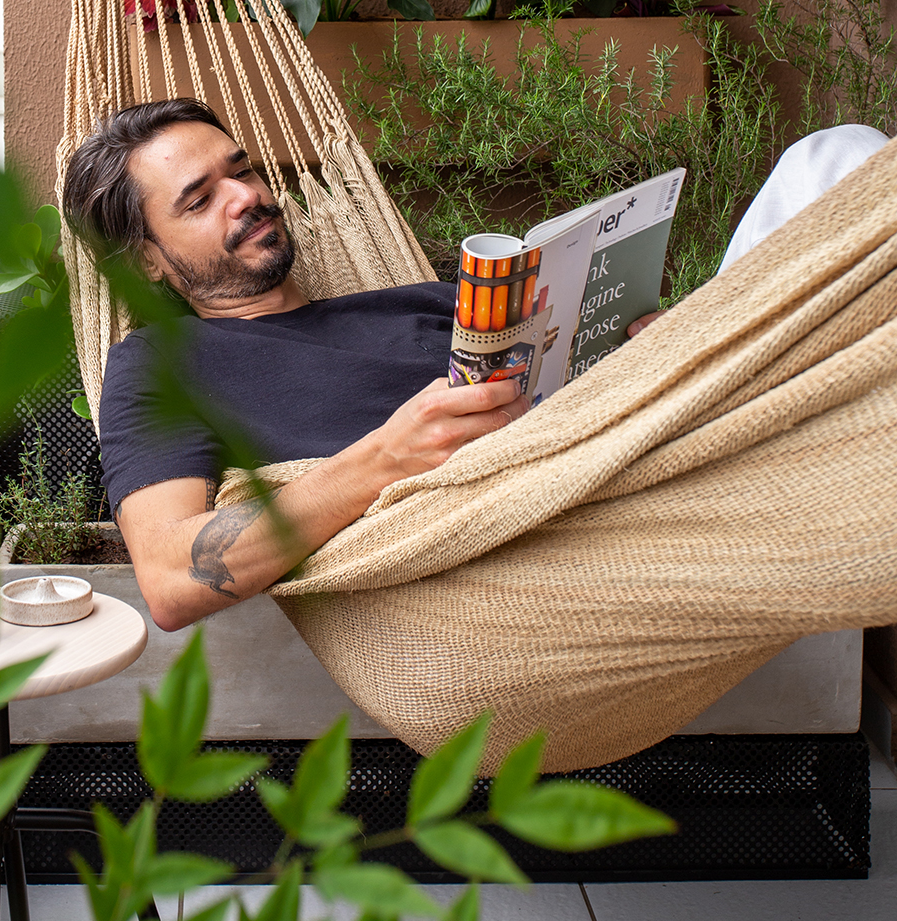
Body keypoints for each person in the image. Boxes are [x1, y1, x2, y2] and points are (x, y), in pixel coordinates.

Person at [61, 98, 889, 634]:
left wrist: (644, 342)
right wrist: (387, 456)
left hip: (648, 431)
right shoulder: (161, 368)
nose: (245, 194)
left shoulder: (421, 297)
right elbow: (170, 578)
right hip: (544, 527)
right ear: (151, 265)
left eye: (240, 168)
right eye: (200, 199)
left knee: (838, 157)